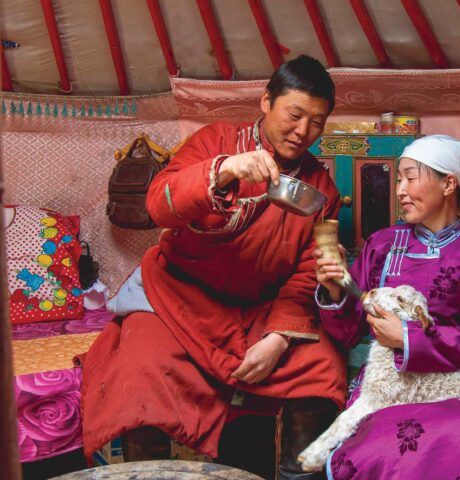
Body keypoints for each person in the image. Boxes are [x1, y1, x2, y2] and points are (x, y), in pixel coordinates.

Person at [79, 55, 345, 479]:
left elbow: (308, 270)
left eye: (317, 122)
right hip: (177, 297)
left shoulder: (321, 189)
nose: (303, 132)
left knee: (322, 365)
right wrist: (222, 171)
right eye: (294, 115)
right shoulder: (214, 141)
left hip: (258, 311)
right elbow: (157, 205)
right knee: (139, 368)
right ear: (265, 101)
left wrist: (278, 338)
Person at [314, 135, 460, 479]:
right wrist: (334, 290)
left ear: (449, 183)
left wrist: (407, 336)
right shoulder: (383, 244)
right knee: (384, 446)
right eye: (398, 179)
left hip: (455, 390)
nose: (400, 190)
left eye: (410, 178)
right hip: (385, 390)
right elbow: (346, 331)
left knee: (458, 437)